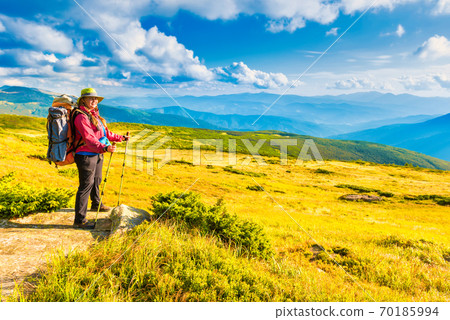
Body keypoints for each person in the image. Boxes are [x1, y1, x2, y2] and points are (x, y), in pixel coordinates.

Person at [73, 88, 129, 229]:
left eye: (96, 99)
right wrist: (104, 148)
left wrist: (120, 138)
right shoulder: (81, 116)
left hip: (97, 153)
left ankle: (96, 204)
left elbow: (104, 132)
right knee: (86, 185)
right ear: (83, 100)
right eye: (91, 98)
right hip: (85, 154)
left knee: (96, 180)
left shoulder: (94, 115)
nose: (94, 101)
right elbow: (89, 137)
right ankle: (80, 220)